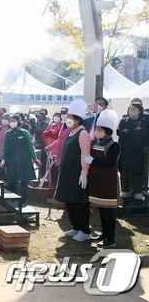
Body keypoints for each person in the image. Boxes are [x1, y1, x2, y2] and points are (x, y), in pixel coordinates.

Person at [53, 99, 92, 242]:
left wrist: (84, 172)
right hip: (67, 172)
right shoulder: (70, 132)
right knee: (69, 201)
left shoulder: (82, 134)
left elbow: (85, 154)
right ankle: (75, 226)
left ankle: (85, 230)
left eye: (70, 117)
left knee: (79, 202)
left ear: (77, 119)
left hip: (77, 172)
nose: (67, 119)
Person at [88, 109, 121, 248]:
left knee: (108, 212)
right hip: (98, 181)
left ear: (106, 131)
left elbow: (109, 163)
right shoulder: (98, 142)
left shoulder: (114, 145)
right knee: (102, 210)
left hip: (108, 182)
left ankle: (110, 238)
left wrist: (92, 161)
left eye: (99, 129)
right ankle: (104, 234)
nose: (96, 131)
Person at [0, 113, 40, 204]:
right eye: (10, 121)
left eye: (13, 121)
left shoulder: (24, 132)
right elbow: (5, 147)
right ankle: (13, 199)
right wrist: (3, 158)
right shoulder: (7, 133)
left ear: (19, 122)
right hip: (12, 160)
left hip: (24, 160)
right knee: (12, 180)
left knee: (24, 181)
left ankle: (24, 200)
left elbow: (30, 146)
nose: (12, 123)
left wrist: (35, 158)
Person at [117, 102, 149, 201]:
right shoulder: (124, 120)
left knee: (137, 172)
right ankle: (125, 192)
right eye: (130, 108)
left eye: (134, 109)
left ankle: (138, 193)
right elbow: (119, 132)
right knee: (124, 171)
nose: (132, 110)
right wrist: (133, 131)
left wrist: (128, 132)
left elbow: (144, 134)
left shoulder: (143, 121)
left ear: (140, 111)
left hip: (138, 150)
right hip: (125, 150)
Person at [29, 109, 49, 178]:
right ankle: (37, 175)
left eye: (41, 116)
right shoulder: (36, 124)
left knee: (43, 160)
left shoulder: (46, 124)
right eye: (37, 116)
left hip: (43, 145)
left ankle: (42, 174)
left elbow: (41, 131)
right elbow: (31, 132)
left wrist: (34, 126)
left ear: (44, 117)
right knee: (36, 160)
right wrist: (31, 125)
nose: (39, 118)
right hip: (36, 145)